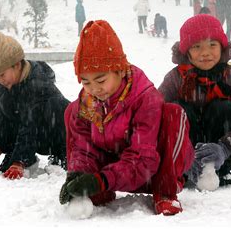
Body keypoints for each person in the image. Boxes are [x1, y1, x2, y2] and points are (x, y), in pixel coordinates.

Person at [59, 20, 194, 215]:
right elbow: (83, 149)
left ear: (120, 70)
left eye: (101, 80)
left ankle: (165, 192)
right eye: (86, 82)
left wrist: (102, 180)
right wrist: (79, 175)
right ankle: (98, 193)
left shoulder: (145, 99)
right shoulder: (86, 104)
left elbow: (143, 158)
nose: (94, 89)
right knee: (71, 110)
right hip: (113, 172)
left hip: (150, 172)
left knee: (173, 114)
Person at [158, 14, 231, 189]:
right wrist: (183, 154)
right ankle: (185, 167)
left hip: (221, 153)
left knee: (223, 108)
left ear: (221, 47)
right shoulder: (175, 77)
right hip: (183, 157)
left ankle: (219, 168)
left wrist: (225, 148)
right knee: (176, 110)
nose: (205, 52)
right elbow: (153, 115)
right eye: (197, 46)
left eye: (212, 45)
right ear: (186, 51)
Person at [0, 32, 69, 179]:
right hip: (32, 136)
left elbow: (30, 123)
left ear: (16, 65)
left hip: (51, 135)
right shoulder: (7, 85)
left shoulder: (37, 85)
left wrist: (19, 161)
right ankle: (12, 150)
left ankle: (62, 154)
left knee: (55, 105)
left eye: (2, 75)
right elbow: (11, 119)